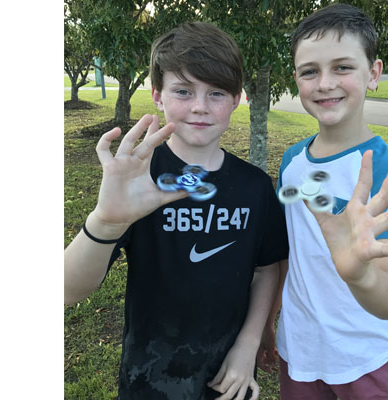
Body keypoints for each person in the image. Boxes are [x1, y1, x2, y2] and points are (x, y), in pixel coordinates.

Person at [64, 21, 288, 400]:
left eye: (216, 93)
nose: (200, 106)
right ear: (158, 95)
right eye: (183, 91)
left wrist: (248, 345)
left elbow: (266, 270)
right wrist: (106, 220)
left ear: (237, 99)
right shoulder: (140, 177)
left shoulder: (254, 186)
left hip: (229, 376)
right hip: (149, 379)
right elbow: (67, 290)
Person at [255, 4, 388, 400]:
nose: (325, 83)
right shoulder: (292, 162)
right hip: (300, 351)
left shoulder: (387, 171)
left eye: (342, 67)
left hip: (368, 358)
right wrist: (268, 321)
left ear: (373, 73)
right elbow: (287, 255)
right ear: (296, 79)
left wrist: (360, 275)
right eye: (310, 71)